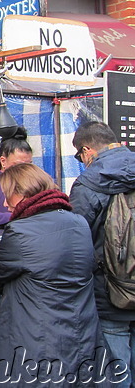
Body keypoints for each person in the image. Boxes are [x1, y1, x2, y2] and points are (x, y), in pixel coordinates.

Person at [0, 163, 105, 385]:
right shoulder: (79, 223)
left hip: (33, 337)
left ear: (21, 192)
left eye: (8, 195)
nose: (5, 204)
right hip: (81, 330)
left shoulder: (21, 231)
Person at [70, 121, 135, 385]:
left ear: (87, 151)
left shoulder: (88, 183)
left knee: (115, 372)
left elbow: (76, 240)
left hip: (110, 293)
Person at [0, 127, 33, 230]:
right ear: (3, 161)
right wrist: (18, 216)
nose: (24, 170)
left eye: (29, 165)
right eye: (18, 165)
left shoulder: (34, 182)